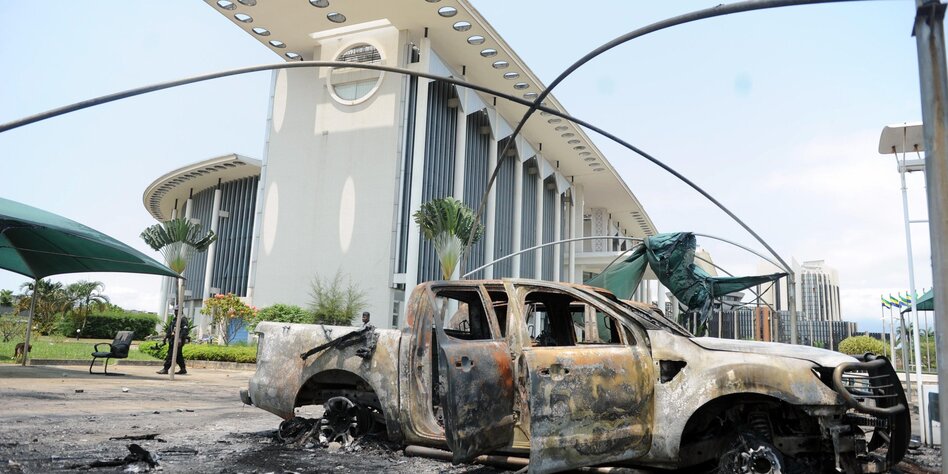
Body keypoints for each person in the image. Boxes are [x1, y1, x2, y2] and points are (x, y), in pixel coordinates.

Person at [157, 310, 190, 375]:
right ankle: (183, 369)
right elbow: (170, 329)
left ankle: (165, 369)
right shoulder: (174, 319)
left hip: (178, 340)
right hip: (172, 339)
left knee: (171, 354)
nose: (175, 312)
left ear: (180, 311)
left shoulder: (183, 319)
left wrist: (180, 338)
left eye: (177, 311)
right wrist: (166, 337)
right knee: (178, 355)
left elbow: (184, 330)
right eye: (175, 310)